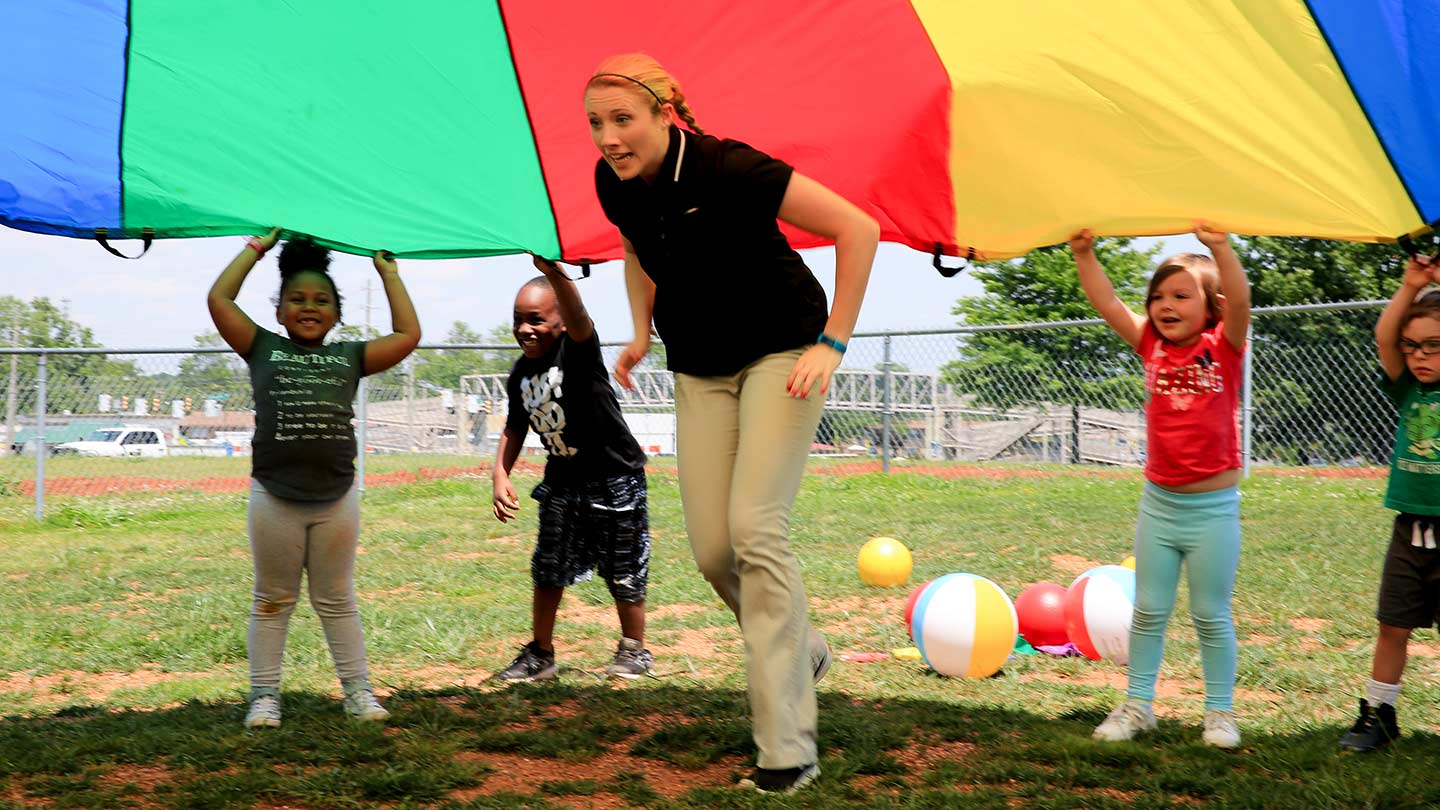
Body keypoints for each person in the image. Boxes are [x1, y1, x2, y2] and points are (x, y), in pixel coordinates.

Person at [584, 53, 879, 793]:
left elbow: (858, 229)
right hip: (700, 368)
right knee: (715, 552)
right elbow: (633, 247)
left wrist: (832, 343)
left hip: (784, 352)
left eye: (623, 120)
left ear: (664, 114)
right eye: (596, 124)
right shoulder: (612, 183)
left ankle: (788, 749)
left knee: (755, 530)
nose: (609, 138)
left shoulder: (731, 169)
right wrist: (639, 330)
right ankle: (801, 649)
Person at [206, 229, 421, 728]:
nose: (309, 306)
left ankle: (359, 694)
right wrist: (257, 248)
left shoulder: (348, 357)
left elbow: (408, 335)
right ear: (278, 311)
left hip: (336, 500)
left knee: (337, 599)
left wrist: (388, 274)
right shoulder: (262, 348)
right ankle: (264, 697)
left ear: (337, 314)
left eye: (321, 300)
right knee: (272, 599)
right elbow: (219, 299)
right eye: (296, 299)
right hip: (274, 498)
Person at [1071, 225, 1250, 749]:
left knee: (1210, 613)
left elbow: (1241, 298)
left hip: (1214, 510)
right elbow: (1106, 302)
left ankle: (1219, 714)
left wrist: (1220, 248)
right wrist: (1084, 254)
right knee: (1148, 610)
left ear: (1211, 307)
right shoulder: (1149, 343)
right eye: (1156, 297)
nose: (1164, 305)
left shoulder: (1225, 346)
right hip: (1160, 506)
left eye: (1179, 295)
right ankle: (1138, 705)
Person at [491, 257, 653, 682]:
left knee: (624, 569)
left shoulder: (577, 351)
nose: (525, 328)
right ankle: (540, 653)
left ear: (560, 323)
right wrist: (500, 473)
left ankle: (634, 649)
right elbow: (514, 425)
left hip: (615, 477)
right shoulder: (521, 373)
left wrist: (557, 274)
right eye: (518, 320)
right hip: (562, 482)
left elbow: (579, 314)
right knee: (547, 567)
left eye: (537, 319)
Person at [1339, 254, 1440, 753]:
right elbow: (1383, 337)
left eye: (1433, 346)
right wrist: (1410, 286)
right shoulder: (1407, 391)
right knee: (1392, 625)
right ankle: (1380, 714)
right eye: (1412, 346)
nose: (1419, 356)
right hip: (1410, 531)